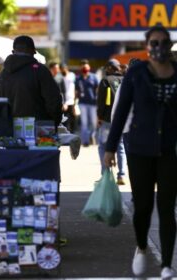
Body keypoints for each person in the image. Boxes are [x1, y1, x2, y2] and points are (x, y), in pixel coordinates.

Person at [104, 25, 177, 279]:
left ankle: (167, 264)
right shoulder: (136, 73)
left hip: (169, 149)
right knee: (143, 206)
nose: (159, 47)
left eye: (163, 42)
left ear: (169, 45)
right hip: (139, 148)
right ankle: (142, 246)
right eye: (154, 43)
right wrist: (110, 147)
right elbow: (122, 111)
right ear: (147, 46)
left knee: (167, 207)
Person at [0, 35, 62, 125]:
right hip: (37, 130)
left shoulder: (2, 75)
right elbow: (53, 100)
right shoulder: (40, 71)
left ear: (13, 52)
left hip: (8, 130)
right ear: (33, 51)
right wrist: (54, 123)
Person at [96, 58, 126, 185]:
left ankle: (106, 175)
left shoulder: (105, 81)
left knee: (103, 146)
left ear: (109, 68)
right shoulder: (125, 80)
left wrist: (99, 117)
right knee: (120, 147)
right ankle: (121, 175)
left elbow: (102, 101)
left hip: (107, 119)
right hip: (122, 119)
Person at [75, 59, 99, 146]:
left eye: (86, 67)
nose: (85, 69)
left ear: (89, 68)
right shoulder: (78, 78)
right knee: (84, 122)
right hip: (82, 103)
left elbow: (98, 90)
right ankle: (85, 141)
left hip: (93, 103)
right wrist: (74, 104)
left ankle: (91, 135)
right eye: (83, 67)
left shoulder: (94, 77)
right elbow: (76, 92)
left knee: (93, 123)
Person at [60, 63, 76, 133]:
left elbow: (75, 87)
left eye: (64, 69)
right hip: (64, 102)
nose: (63, 70)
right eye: (62, 69)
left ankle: (72, 133)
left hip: (71, 101)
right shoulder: (60, 78)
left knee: (73, 118)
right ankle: (65, 133)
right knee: (65, 119)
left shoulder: (72, 75)